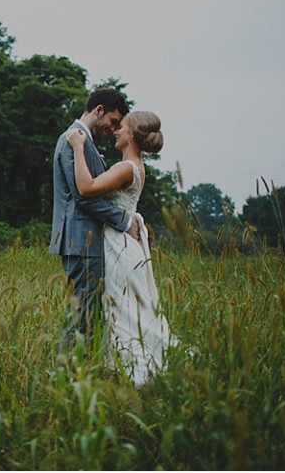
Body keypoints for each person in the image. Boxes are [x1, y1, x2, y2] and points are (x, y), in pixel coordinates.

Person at [66, 110, 176, 386]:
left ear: (133, 136)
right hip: (122, 243)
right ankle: (125, 363)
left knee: (124, 306)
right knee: (127, 306)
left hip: (121, 246)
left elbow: (86, 187)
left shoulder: (127, 168)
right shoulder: (134, 166)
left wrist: (78, 148)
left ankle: (135, 368)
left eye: (122, 127)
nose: (116, 131)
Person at [50, 88, 140, 348]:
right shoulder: (73, 139)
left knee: (87, 311)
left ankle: (80, 367)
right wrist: (124, 220)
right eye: (113, 121)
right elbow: (84, 196)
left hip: (84, 240)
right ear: (98, 110)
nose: (113, 129)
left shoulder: (83, 142)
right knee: (81, 312)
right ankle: (67, 372)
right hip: (79, 240)